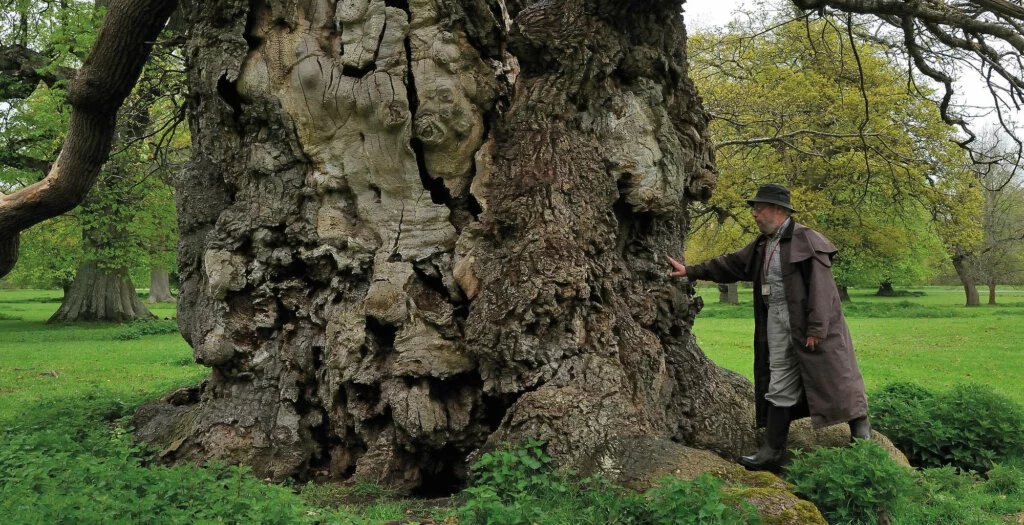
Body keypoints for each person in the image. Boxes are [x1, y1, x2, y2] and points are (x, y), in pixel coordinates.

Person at [667, 183, 870, 471]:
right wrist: (690, 271)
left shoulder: (807, 239)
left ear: (778, 210)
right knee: (779, 377)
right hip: (775, 320)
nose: (754, 214)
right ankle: (772, 449)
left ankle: (861, 429)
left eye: (758, 208)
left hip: (813, 322)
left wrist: (816, 328)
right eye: (754, 209)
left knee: (836, 373)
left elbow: (823, 290)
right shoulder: (763, 244)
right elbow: (731, 264)